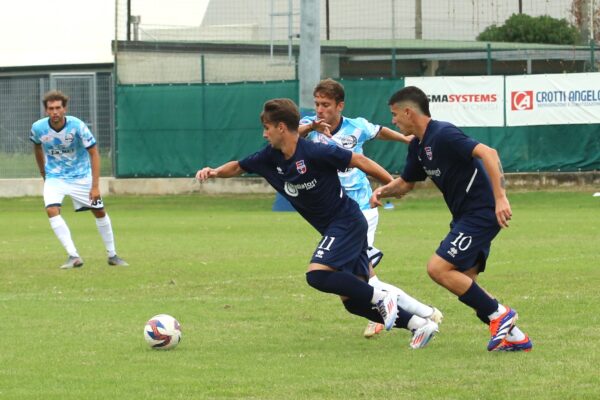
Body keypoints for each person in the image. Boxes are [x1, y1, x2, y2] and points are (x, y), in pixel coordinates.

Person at [196, 98, 439, 349]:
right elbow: (238, 166)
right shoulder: (269, 157)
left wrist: (392, 185)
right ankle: (420, 326)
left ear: (281, 127)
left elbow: (359, 161)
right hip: (338, 227)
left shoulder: (314, 152)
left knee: (317, 275)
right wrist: (214, 171)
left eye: (267, 128)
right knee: (353, 302)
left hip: (347, 222)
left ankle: (382, 297)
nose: (264, 134)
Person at [371, 86, 532, 352]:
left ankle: (500, 315)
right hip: (464, 217)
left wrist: (501, 197)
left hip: (481, 212)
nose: (393, 121)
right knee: (465, 283)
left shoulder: (443, 133)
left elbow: (488, 153)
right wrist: (383, 190)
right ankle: (516, 337)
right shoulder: (418, 146)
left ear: (409, 112)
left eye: (394, 114)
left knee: (438, 268)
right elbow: (406, 184)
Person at [298, 78, 442, 338]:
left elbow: (379, 131)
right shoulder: (308, 126)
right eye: (317, 104)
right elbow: (287, 136)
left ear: (340, 106)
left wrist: (405, 140)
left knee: (360, 279)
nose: (320, 110)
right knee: (358, 279)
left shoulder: (356, 127)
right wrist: (310, 126)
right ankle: (420, 313)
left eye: (326, 105)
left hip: (360, 210)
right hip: (335, 214)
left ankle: (417, 314)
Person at [30, 90, 128, 269]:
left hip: (81, 177)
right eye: (51, 108)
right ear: (46, 111)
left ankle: (112, 255)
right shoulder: (38, 128)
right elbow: (36, 147)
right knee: (51, 210)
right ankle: (73, 256)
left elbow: (94, 152)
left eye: (58, 108)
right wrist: (44, 174)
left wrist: (95, 186)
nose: (55, 112)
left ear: (64, 108)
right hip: (55, 177)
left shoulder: (77, 126)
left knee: (99, 212)